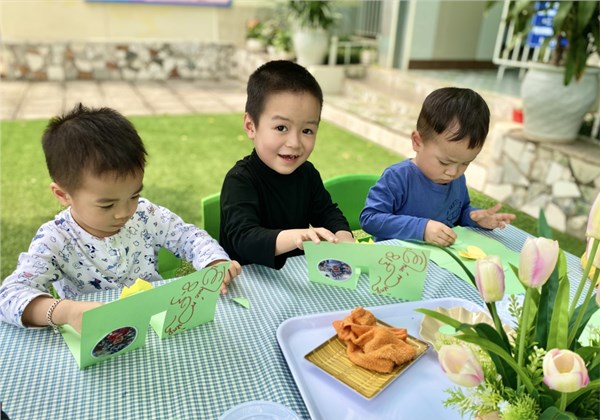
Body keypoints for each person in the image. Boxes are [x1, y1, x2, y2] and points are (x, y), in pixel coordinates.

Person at [0, 104, 241, 333]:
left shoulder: (145, 214)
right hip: (97, 337)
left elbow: (189, 236)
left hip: (154, 326)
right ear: (63, 195)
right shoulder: (55, 239)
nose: (125, 212)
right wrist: (66, 312)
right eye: (107, 204)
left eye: (134, 195)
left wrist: (214, 261)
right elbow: (10, 295)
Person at [219, 60, 354, 269]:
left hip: (296, 275)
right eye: (281, 127)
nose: (294, 143)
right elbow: (244, 239)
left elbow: (327, 213)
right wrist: (295, 237)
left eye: (307, 130)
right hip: (246, 279)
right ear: (251, 126)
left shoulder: (307, 174)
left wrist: (342, 235)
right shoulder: (240, 180)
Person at [360, 87, 516, 246]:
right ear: (417, 142)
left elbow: (459, 212)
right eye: (444, 162)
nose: (453, 172)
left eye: (465, 163)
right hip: (396, 257)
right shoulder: (398, 178)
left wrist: (474, 217)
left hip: (440, 257)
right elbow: (370, 219)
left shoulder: (457, 180)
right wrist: (422, 229)